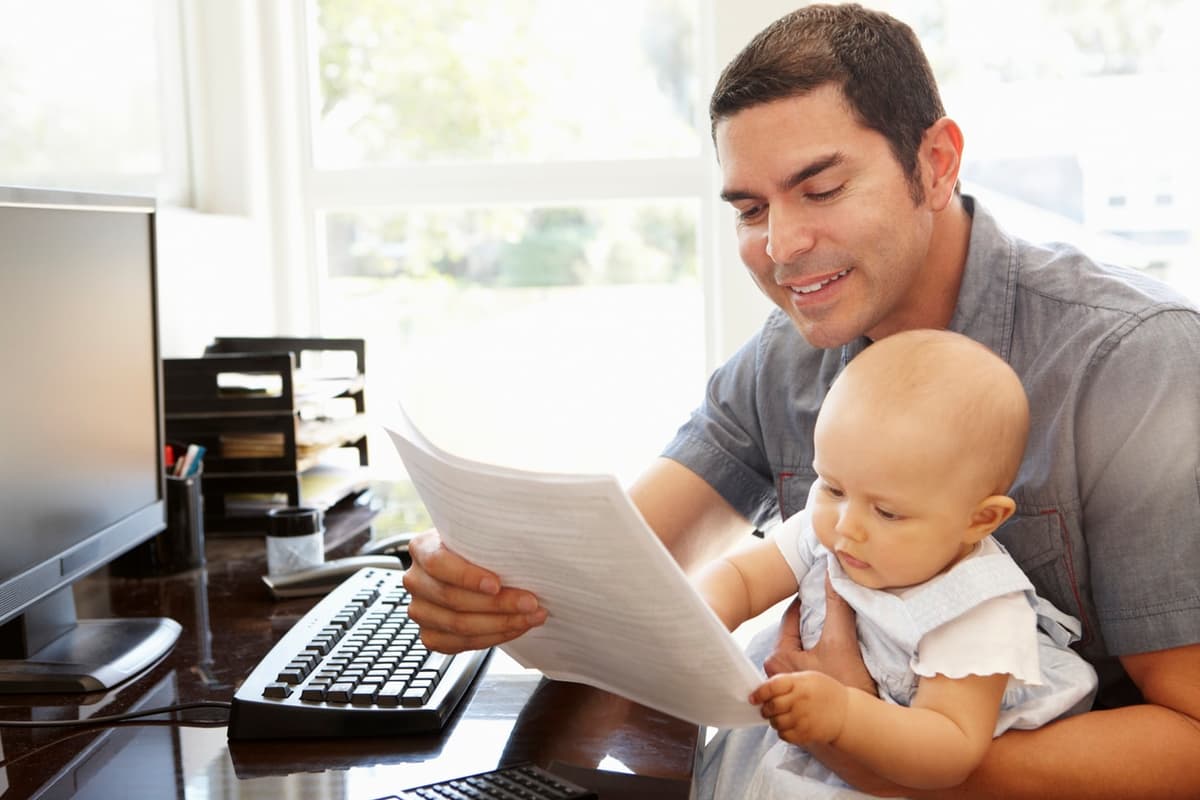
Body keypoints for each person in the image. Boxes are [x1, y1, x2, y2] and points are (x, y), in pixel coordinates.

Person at [402, 3, 1200, 796]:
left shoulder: (1133, 362)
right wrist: (484, 579)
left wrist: (875, 745)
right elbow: (630, 567)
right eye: (750, 209)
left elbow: (1192, 741)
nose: (779, 248)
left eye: (819, 189)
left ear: (937, 161)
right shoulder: (786, 357)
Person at [693, 328, 1097, 796]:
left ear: (980, 519)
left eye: (887, 512)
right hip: (778, 747)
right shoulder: (830, 525)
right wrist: (699, 617)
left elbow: (949, 752)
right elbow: (741, 578)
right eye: (832, 487)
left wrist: (844, 714)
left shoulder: (979, 612)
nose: (847, 526)